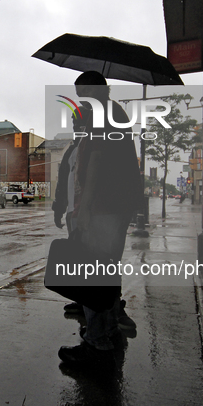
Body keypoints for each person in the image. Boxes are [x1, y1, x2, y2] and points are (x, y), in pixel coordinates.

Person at [57, 71, 143, 364]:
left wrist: (85, 209)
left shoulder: (101, 115)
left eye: (83, 93)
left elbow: (96, 161)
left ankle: (96, 341)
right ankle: (106, 331)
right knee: (105, 269)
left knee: (91, 270)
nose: (81, 100)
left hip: (103, 206)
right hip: (119, 204)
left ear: (95, 89)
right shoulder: (116, 112)